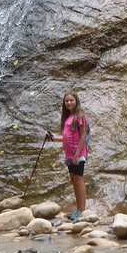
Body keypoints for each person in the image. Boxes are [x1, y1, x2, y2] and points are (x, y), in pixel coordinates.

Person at [45, 91, 88, 222]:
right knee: (73, 180)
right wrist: (52, 138)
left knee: (79, 180)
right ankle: (78, 209)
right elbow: (66, 137)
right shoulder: (68, 117)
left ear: (76, 101)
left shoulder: (80, 116)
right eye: (66, 101)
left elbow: (83, 136)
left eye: (71, 100)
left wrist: (77, 155)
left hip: (78, 154)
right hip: (69, 154)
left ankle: (82, 211)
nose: (69, 103)